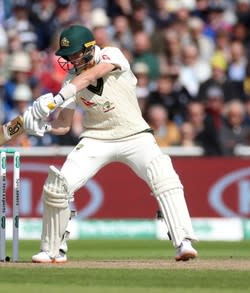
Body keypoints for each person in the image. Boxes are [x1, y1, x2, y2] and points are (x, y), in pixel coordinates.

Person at [23, 25, 198, 263]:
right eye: (67, 56)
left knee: (164, 176)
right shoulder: (70, 80)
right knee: (58, 186)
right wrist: (42, 125)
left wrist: (59, 97)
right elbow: (64, 125)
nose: (71, 60)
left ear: (88, 48)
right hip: (96, 138)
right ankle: (53, 250)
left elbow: (93, 75)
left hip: (135, 134)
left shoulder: (111, 54)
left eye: (74, 53)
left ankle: (183, 241)